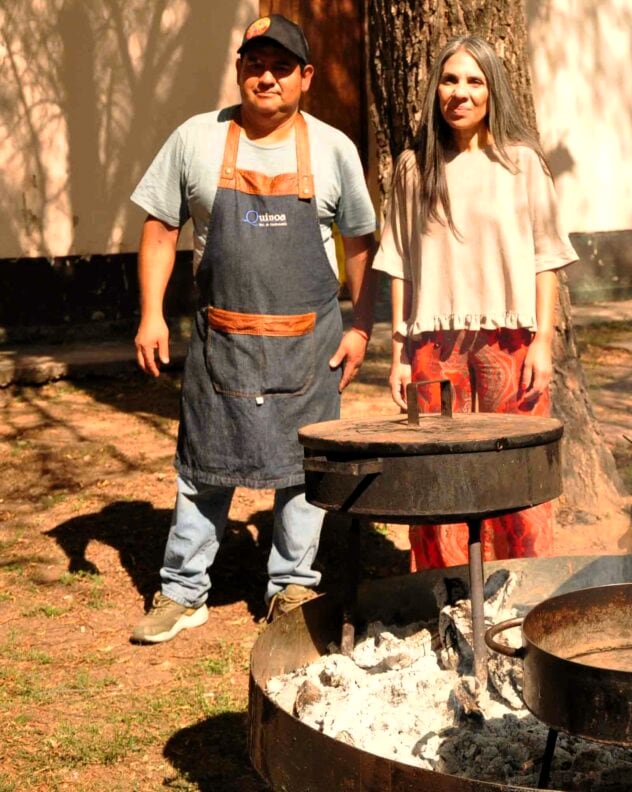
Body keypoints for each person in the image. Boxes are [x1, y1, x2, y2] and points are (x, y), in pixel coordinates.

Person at [129, 14, 377, 643]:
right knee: (204, 463)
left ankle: (291, 585)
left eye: (281, 66)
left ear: (305, 77)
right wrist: (151, 313)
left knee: (302, 468)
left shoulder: (333, 149)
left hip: (308, 343)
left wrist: (362, 328)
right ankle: (183, 589)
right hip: (223, 341)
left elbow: (359, 244)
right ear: (239, 68)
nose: (266, 76)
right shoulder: (194, 139)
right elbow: (160, 228)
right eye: (254, 63)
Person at [372, 35, 577, 571]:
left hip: (510, 344)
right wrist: (398, 352)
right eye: (449, 79)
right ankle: (446, 595)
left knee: (519, 479)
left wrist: (542, 345)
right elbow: (398, 265)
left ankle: (523, 591)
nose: (460, 93)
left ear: (492, 91)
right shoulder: (414, 169)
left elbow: (546, 258)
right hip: (434, 348)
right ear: (435, 90)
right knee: (438, 483)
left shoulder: (522, 164)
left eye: (473, 81)